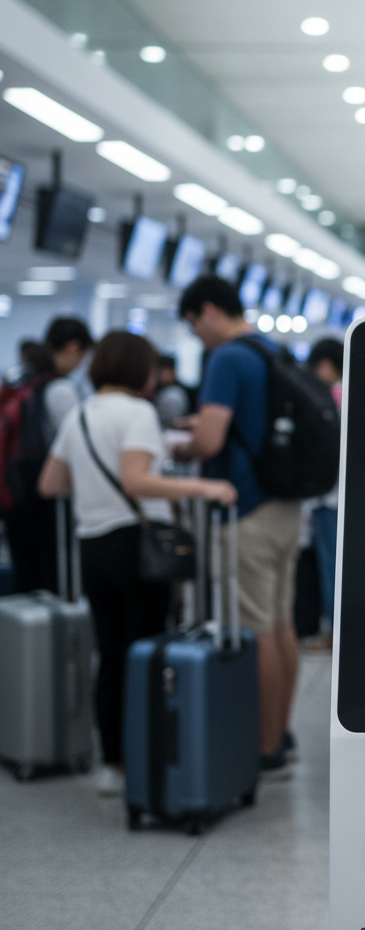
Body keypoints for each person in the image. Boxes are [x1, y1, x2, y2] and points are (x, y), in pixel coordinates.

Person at [37, 331, 236, 796]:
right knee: (147, 653)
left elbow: (51, 484)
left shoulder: (81, 413)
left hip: (92, 545)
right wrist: (203, 489)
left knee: (109, 655)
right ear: (140, 371)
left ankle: (113, 764)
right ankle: (149, 753)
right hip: (137, 547)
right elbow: (137, 480)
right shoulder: (139, 413)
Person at [172, 276, 302, 777]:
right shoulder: (272, 350)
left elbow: (209, 443)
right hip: (287, 507)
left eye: (192, 324)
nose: (195, 335)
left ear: (207, 310)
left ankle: (263, 746)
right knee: (282, 622)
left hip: (245, 509)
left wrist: (181, 445)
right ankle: (281, 730)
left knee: (255, 629)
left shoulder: (226, 358)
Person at [0, 341, 57, 592]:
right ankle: (43, 629)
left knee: (22, 570)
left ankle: (23, 629)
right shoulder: (45, 391)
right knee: (47, 572)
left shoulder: (12, 392)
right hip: (37, 494)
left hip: (11, 494)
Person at [306, 338, 344, 636]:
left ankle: (333, 632)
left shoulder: (332, 396)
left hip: (328, 496)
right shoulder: (358, 391)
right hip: (343, 495)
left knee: (331, 567)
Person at [43, 317, 94, 434]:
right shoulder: (83, 374)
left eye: (56, 354)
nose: (54, 362)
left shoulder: (90, 374)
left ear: (73, 347)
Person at [153, 354, 191, 428]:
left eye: (161, 371)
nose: (158, 375)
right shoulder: (161, 390)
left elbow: (169, 422)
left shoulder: (172, 394)